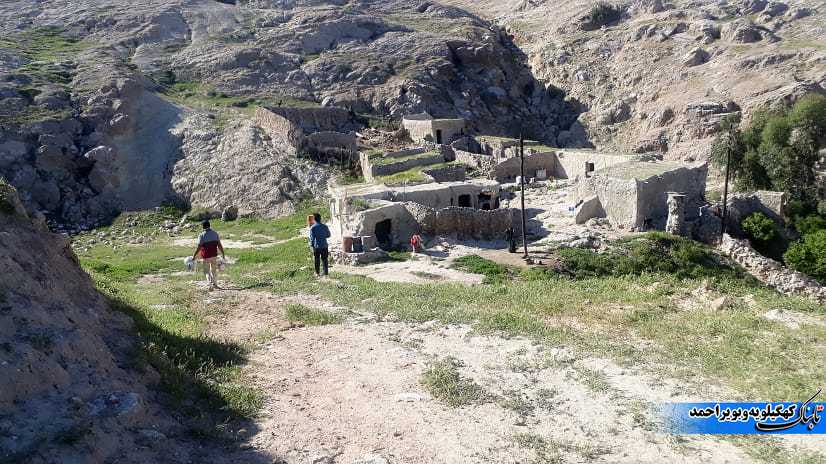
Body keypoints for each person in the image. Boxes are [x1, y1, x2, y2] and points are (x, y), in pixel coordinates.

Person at [192, 220, 225, 291]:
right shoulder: (215, 233)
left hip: (206, 256)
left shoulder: (201, 235)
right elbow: (219, 245)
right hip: (214, 255)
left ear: (203, 227)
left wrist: (194, 255)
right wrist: (223, 253)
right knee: (214, 270)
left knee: (206, 271)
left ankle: (210, 284)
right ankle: (215, 284)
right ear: (209, 225)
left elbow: (199, 247)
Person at [308, 212, 331, 277]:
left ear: (314, 219)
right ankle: (326, 274)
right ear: (320, 218)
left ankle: (317, 273)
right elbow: (328, 235)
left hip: (317, 246)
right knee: (325, 260)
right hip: (324, 245)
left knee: (317, 260)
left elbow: (312, 239)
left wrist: (312, 246)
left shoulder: (313, 227)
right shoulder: (325, 226)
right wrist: (322, 235)